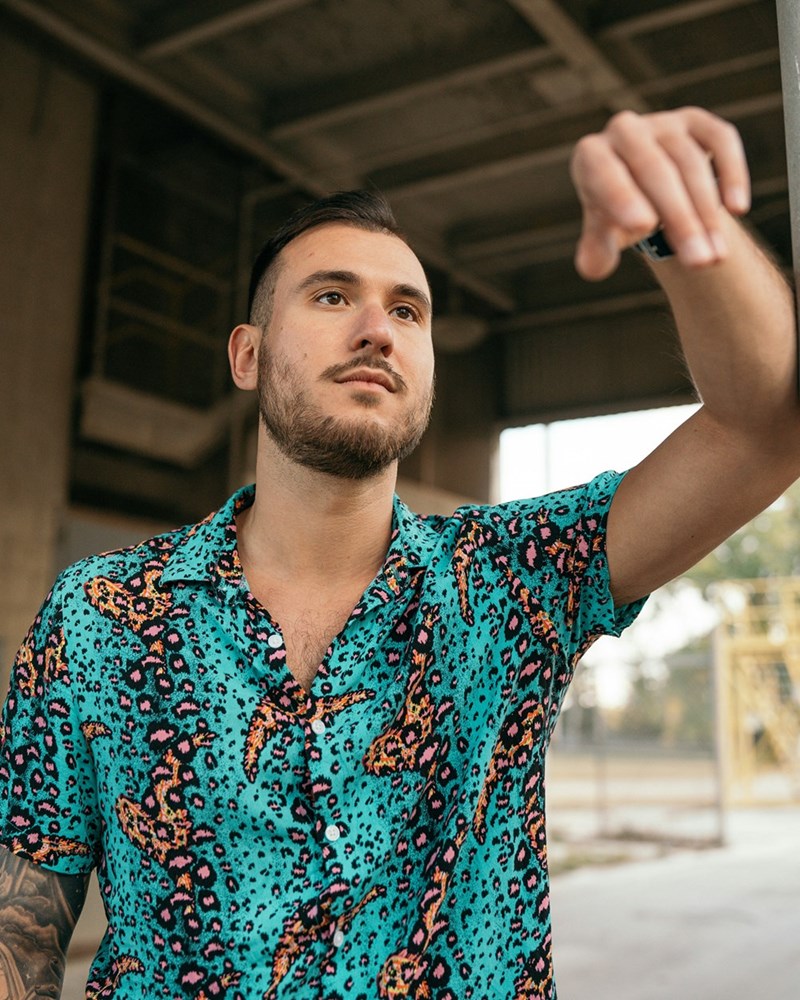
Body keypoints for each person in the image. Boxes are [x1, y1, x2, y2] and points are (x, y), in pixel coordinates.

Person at [0, 107, 798, 1000]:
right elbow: (21, 940)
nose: (378, 329)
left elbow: (763, 429)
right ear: (247, 356)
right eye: (332, 296)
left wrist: (681, 225)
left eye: (407, 310)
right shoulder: (100, 616)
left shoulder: (512, 581)